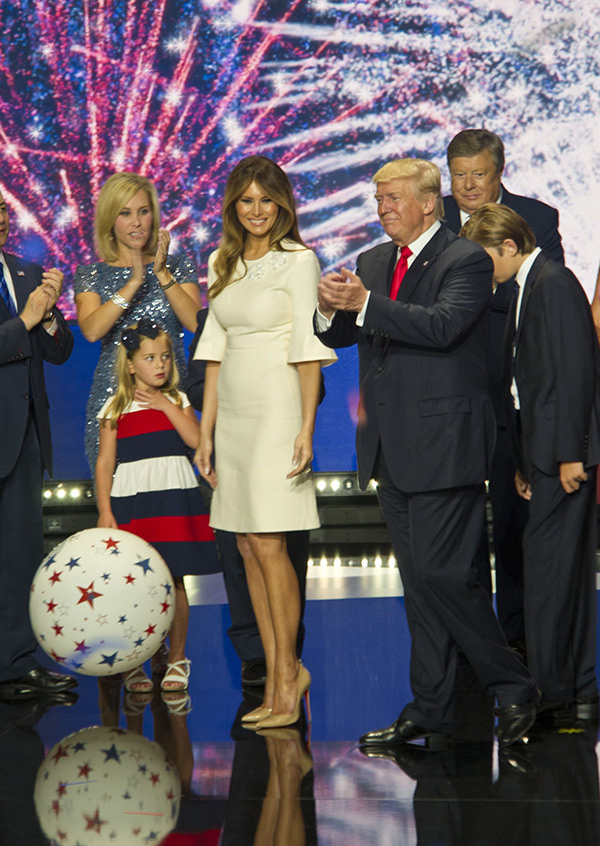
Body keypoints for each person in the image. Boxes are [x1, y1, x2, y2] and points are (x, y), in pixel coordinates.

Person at [315, 158, 539, 748]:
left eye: (393, 198)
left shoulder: (465, 259)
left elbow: (442, 326)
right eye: (378, 198)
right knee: (420, 584)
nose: (383, 207)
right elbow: (343, 333)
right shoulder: (372, 263)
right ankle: (432, 707)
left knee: (445, 576)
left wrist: (364, 305)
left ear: (429, 204)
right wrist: (329, 306)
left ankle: (513, 686)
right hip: (389, 448)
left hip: (444, 445)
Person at [193, 155, 336, 728]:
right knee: (247, 545)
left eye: (266, 200)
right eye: (246, 201)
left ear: (282, 204)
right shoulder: (220, 260)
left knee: (271, 545)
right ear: (234, 206)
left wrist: (305, 428)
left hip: (278, 408)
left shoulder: (299, 261)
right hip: (232, 414)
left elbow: (306, 347)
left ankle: (286, 677)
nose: (256, 211)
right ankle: (277, 677)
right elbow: (212, 351)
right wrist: (204, 434)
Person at [461, 204, 600, 725]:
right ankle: (576, 688)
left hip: (563, 457)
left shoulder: (554, 282)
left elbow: (575, 374)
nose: (481, 272)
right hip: (540, 454)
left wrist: (570, 454)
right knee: (558, 571)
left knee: (550, 573)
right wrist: (524, 459)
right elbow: (527, 385)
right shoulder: (526, 284)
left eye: (483, 260)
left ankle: (552, 690)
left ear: (509, 248)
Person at [444, 128, 565, 651]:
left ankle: (518, 639)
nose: (468, 186)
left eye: (479, 175)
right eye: (459, 175)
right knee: (461, 527)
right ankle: (474, 642)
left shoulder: (536, 219)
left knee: (516, 524)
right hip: (455, 395)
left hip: (512, 396)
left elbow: (547, 296)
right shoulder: (435, 220)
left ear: (500, 171)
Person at [185, 308, 320, 687]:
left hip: (280, 441)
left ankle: (289, 658)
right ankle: (256, 655)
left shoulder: (290, 314)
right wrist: (237, 381)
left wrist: (272, 384)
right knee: (240, 550)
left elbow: (316, 383)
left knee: (284, 553)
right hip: (233, 444)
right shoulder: (212, 316)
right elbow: (197, 386)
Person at [95, 319, 219, 692]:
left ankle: (177, 656)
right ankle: (138, 657)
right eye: (150, 358)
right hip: (134, 502)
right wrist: (105, 510)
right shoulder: (115, 407)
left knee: (174, 579)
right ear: (131, 365)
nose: (160, 364)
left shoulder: (178, 401)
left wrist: (167, 406)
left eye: (165, 356)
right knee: (136, 585)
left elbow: (197, 440)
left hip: (172, 499)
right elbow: (105, 463)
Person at [0, 189, 77, 700]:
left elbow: (59, 350)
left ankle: (15, 663)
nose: (1, 222)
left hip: (21, 433)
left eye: (2, 213)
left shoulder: (25, 271)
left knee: (22, 550)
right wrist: (26, 319)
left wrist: (49, 316)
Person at [74, 172, 202, 473]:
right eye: (126, 213)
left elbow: (196, 323)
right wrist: (133, 282)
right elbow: (92, 330)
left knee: (169, 494)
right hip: (114, 400)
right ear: (110, 219)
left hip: (170, 396)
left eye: (144, 212)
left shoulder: (178, 266)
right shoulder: (91, 273)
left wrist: (161, 274)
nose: (137, 222)